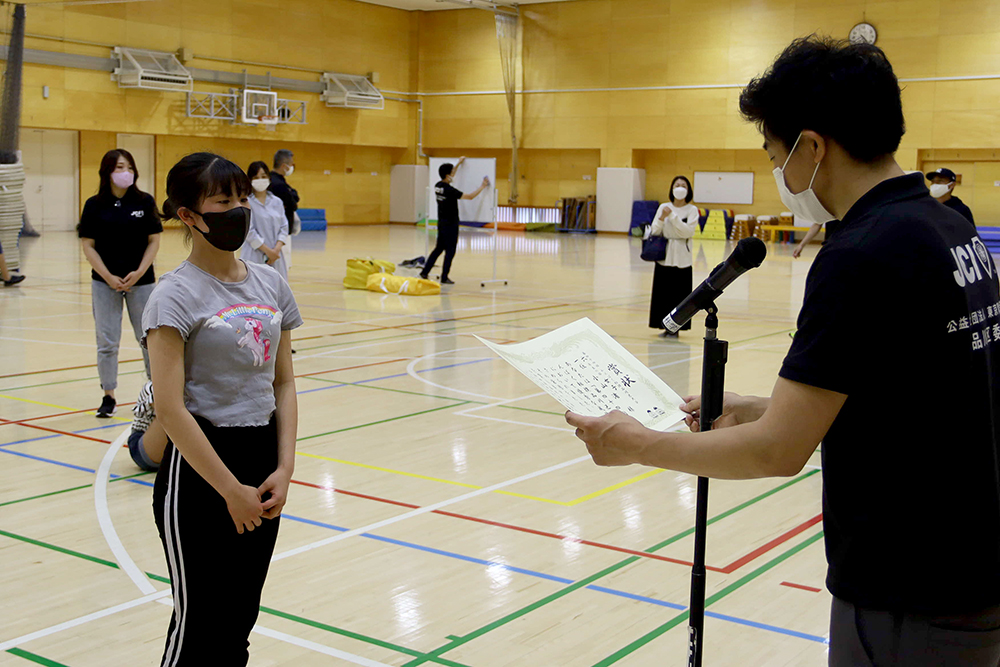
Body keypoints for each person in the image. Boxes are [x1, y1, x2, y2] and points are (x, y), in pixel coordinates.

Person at [567, 36, 1000, 666]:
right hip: (970, 565)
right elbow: (913, 396)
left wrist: (633, 444)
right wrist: (760, 405)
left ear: (813, 147)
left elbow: (778, 452)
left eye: (776, 154)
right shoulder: (948, 229)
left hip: (908, 592)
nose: (779, 174)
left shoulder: (860, 255)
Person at [143, 152, 301, 664]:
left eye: (240, 200)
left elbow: (284, 383)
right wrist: (229, 489)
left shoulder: (271, 283)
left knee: (239, 618)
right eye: (222, 202)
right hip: (201, 472)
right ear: (188, 216)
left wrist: (284, 466)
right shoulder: (172, 296)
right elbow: (169, 408)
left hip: (262, 458)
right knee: (200, 625)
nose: (237, 210)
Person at [78, 149, 162, 418]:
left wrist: (139, 272)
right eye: (118, 167)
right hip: (105, 284)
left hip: (142, 282)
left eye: (128, 166)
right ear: (107, 172)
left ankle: (156, 390)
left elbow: (154, 240)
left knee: (149, 339)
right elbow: (88, 245)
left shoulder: (145, 201)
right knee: (107, 341)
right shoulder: (93, 205)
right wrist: (107, 277)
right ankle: (108, 395)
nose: (124, 172)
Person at [420, 157, 490, 285]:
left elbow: (451, 174)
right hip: (451, 224)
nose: (454, 174)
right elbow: (469, 196)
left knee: (438, 249)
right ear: (447, 175)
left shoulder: (438, 186)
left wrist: (458, 163)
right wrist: (482, 186)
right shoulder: (450, 190)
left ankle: (425, 272)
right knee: (450, 251)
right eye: (451, 173)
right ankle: (444, 277)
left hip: (441, 223)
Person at [647, 176, 699, 337]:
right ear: (672, 188)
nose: (680, 188)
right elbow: (655, 231)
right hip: (664, 255)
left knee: (680, 294)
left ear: (688, 190)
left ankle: (676, 327)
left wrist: (672, 217)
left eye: (683, 185)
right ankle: (661, 324)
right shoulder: (664, 207)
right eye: (677, 185)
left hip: (683, 257)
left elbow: (688, 231)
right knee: (662, 293)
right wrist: (662, 218)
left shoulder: (692, 210)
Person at [241, 161, 290, 282]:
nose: (260, 180)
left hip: (276, 255)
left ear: (268, 178)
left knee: (277, 289)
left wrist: (276, 250)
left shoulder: (277, 201)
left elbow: (284, 227)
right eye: (256, 177)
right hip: (255, 255)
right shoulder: (246, 202)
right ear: (250, 180)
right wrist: (268, 252)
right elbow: (249, 231)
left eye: (263, 176)